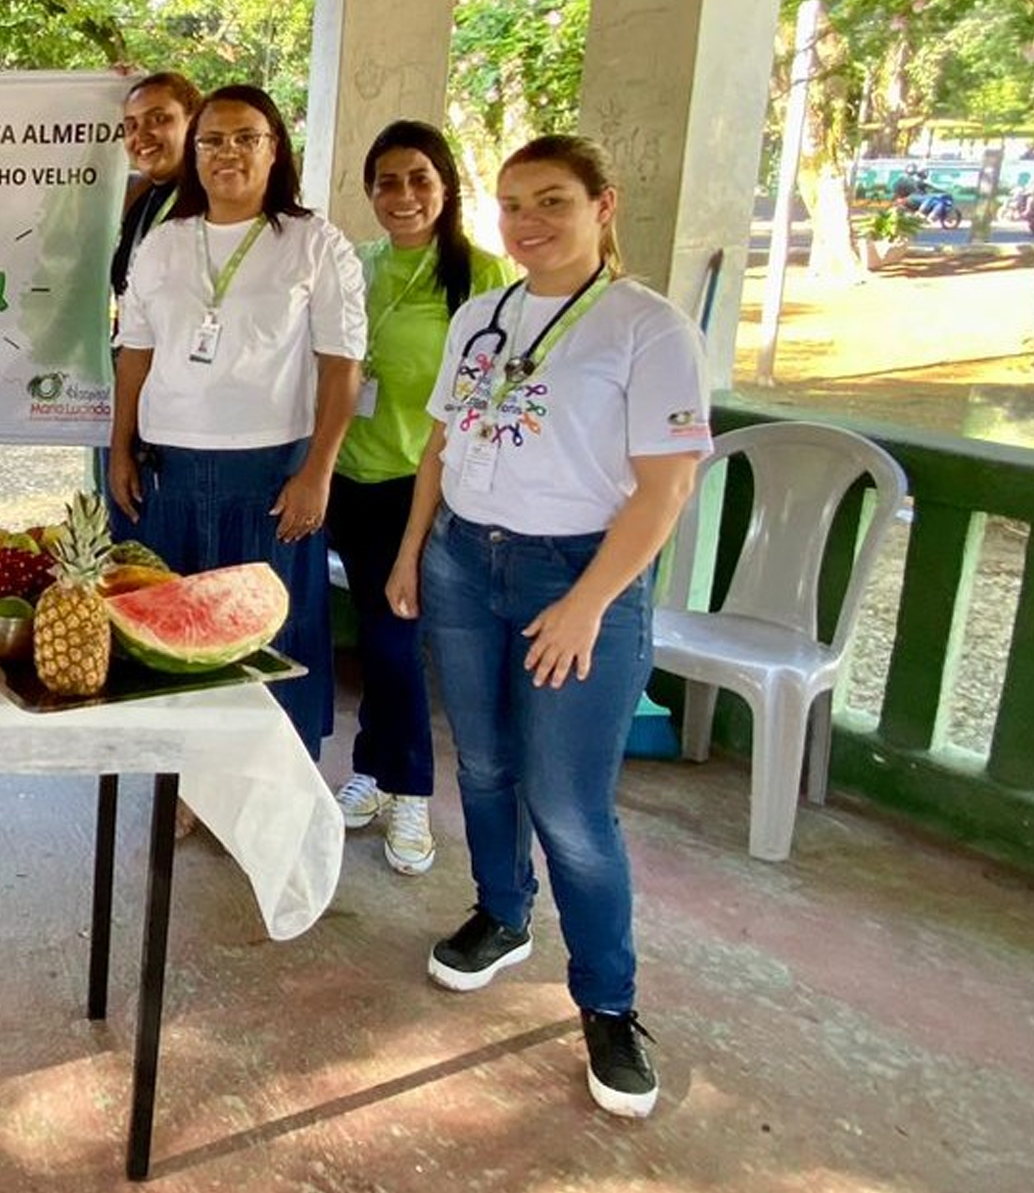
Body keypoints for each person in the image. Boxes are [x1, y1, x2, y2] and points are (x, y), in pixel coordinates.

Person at [385, 135, 709, 1120]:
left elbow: (665, 490)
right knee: (481, 766)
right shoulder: (482, 313)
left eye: (553, 202)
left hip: (575, 577)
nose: (527, 222)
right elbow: (441, 441)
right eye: (514, 203)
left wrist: (586, 603)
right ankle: (500, 911)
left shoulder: (647, 329)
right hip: (461, 560)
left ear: (603, 206)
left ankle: (607, 1005)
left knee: (571, 809)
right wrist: (410, 550)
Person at [107, 83, 362, 761]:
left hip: (274, 472)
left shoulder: (314, 244)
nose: (228, 152)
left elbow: (342, 368)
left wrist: (318, 474)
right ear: (194, 154)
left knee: (277, 633)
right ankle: (189, 782)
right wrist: (119, 450)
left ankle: (276, 783)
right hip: (171, 471)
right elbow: (135, 354)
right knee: (176, 633)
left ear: (274, 149)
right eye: (212, 140)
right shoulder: (163, 245)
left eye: (246, 137)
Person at [327, 121, 510, 878]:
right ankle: (372, 769)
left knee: (396, 643)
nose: (402, 197)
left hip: (418, 486)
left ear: (446, 188)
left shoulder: (483, 277)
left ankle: (409, 793)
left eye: (419, 180)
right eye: (387, 182)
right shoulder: (354, 264)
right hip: (341, 475)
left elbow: (495, 398)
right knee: (375, 636)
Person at [101, 71, 200, 543]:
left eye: (160, 119)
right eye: (132, 125)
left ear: (195, 123)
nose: (143, 135)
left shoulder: (215, 206)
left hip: (184, 419)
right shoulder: (145, 196)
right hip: (136, 395)